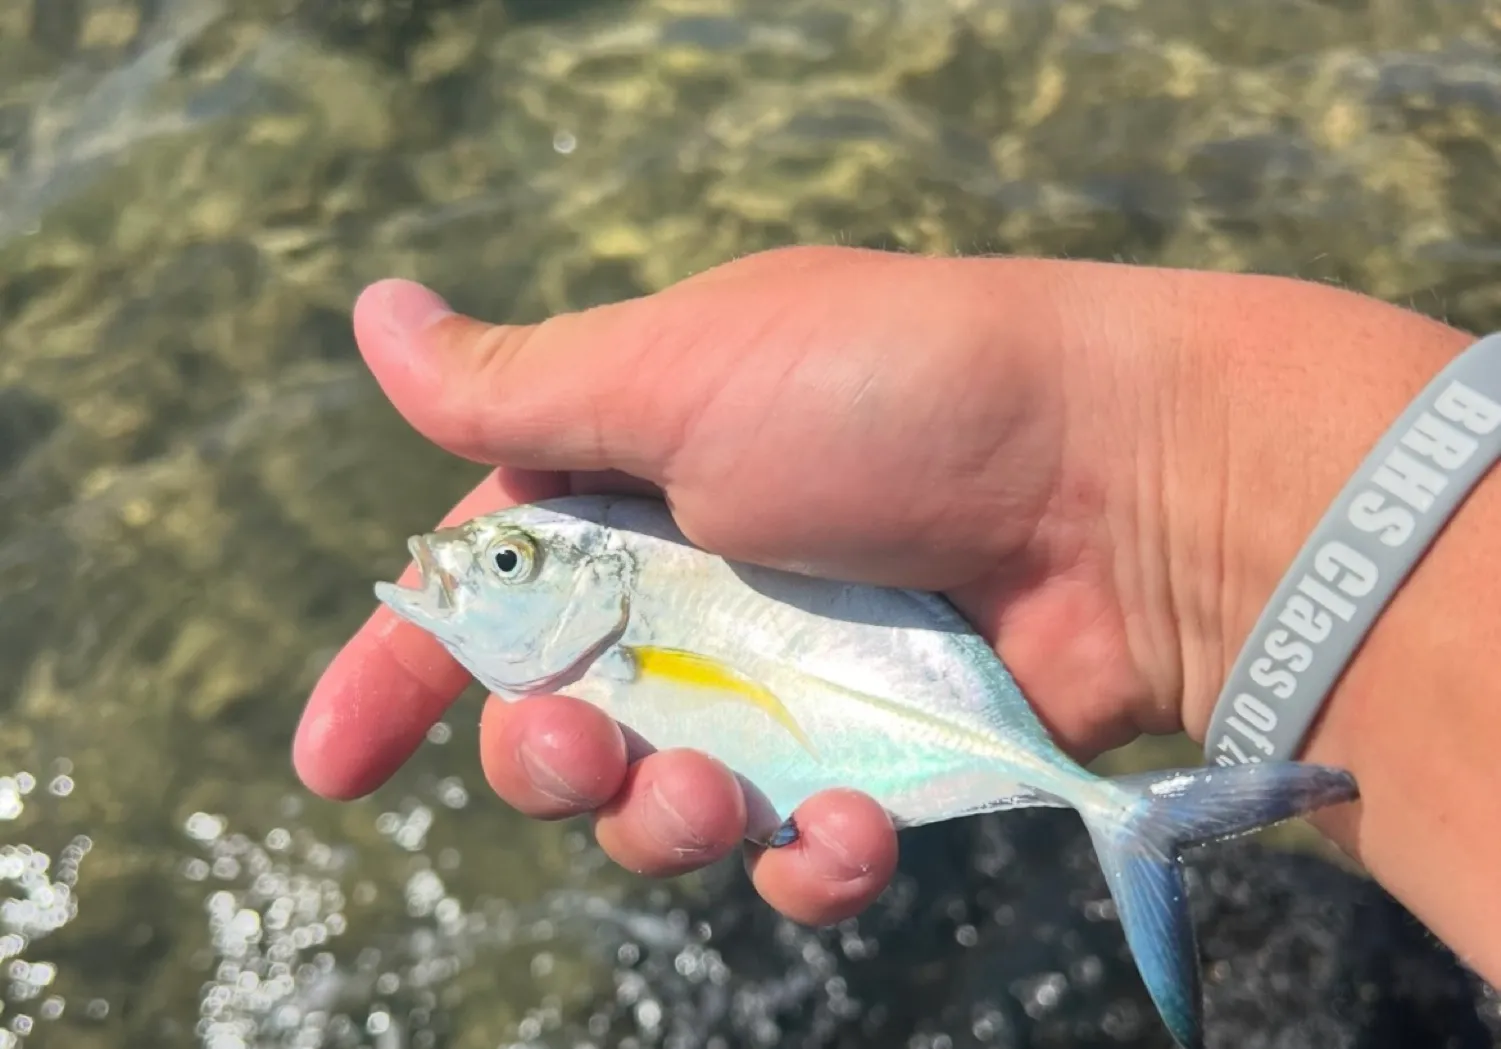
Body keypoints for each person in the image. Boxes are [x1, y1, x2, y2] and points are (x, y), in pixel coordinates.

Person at [291, 246, 1500, 987]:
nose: (471, 565)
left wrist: (1131, 464)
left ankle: (1124, 816)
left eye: (505, 557)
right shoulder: (600, 622)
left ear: (593, 587)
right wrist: (1136, 463)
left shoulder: (623, 590)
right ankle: (1122, 816)